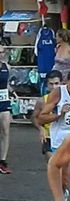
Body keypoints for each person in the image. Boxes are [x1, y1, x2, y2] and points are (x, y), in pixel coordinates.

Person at [32, 70, 62, 161]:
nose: (54, 87)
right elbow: (34, 118)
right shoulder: (42, 101)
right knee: (52, 161)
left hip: (64, 135)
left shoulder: (68, 99)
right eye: (51, 84)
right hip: (48, 136)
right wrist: (40, 129)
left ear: (62, 83)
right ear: (47, 85)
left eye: (56, 83)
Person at [0, 45, 13, 174]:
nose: (1, 54)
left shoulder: (7, 67)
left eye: (2, 52)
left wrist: (13, 93)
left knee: (5, 131)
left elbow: (7, 84)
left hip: (4, 101)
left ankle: (3, 161)